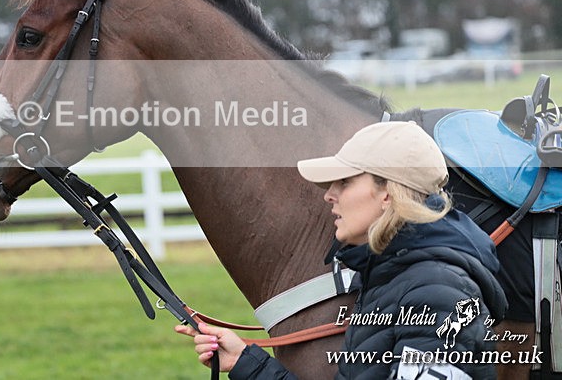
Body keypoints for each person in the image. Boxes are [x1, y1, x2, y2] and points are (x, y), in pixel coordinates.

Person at [175, 121, 507, 379]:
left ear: (387, 193)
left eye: (345, 182)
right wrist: (244, 362)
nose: (329, 195)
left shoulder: (436, 293)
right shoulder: (394, 279)